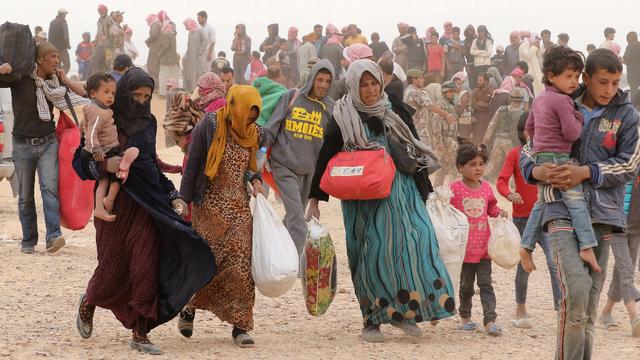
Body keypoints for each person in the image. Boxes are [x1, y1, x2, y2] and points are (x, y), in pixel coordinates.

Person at [307, 59, 455, 342]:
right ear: (353, 85)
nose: (371, 89)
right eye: (364, 84)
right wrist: (314, 198)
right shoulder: (343, 115)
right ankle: (371, 319)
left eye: (374, 82)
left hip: (402, 191)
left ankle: (406, 311)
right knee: (370, 254)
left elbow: (412, 146)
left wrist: (426, 191)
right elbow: (325, 156)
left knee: (414, 243)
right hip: (363, 199)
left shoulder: (395, 109)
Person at [73, 67, 215, 355]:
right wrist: (107, 166)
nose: (140, 101)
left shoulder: (149, 123)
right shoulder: (104, 118)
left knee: (145, 266)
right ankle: (90, 300)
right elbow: (81, 162)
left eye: (146, 96)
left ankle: (140, 332)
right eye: (134, 95)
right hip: (115, 206)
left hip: (148, 206)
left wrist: (173, 195)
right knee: (111, 268)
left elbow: (149, 164)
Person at [520, 49, 639, 359]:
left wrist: (585, 172)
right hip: (559, 207)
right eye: (602, 82)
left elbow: (629, 165)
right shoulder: (560, 99)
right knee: (575, 295)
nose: (609, 90)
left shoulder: (627, 115)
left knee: (587, 306)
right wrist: (536, 170)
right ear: (586, 77)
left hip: (603, 215)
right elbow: (530, 149)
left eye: (615, 83)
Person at [178, 85, 266, 347]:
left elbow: (252, 166)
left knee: (241, 264)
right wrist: (183, 199)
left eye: (254, 115)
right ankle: (189, 306)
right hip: (209, 204)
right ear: (236, 105)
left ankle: (241, 326)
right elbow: (193, 162)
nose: (249, 120)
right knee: (208, 263)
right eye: (246, 113)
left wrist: (257, 180)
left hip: (239, 205)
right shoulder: (210, 124)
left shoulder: (254, 132)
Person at [0, 42, 89, 254]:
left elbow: (84, 95)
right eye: (53, 56)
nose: (57, 60)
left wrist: (66, 79)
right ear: (40, 59)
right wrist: (2, 67)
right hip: (22, 146)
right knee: (25, 196)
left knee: (49, 191)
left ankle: (53, 237)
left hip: (48, 143)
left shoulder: (54, 84)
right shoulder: (19, 78)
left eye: (57, 57)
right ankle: (29, 241)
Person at [519, 46, 600, 273]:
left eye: (576, 76)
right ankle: (586, 245)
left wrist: (541, 146)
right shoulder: (564, 101)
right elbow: (572, 133)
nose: (574, 82)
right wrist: (579, 118)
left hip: (541, 158)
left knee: (542, 202)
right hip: (559, 158)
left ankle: (525, 246)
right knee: (575, 200)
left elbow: (529, 128)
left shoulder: (540, 98)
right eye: (569, 76)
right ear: (552, 76)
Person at [260, 60, 335, 253]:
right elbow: (272, 127)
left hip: (309, 170)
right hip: (283, 165)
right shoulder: (292, 96)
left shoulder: (331, 108)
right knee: (296, 216)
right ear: (312, 78)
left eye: (328, 81)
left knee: (296, 215)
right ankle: (301, 261)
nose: (323, 85)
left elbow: (331, 143)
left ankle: (277, 249)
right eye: (320, 79)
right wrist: (261, 154)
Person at [496, 114, 561, 328]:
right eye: (529, 129)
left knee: (554, 263)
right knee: (524, 266)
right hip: (523, 220)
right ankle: (520, 309)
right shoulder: (516, 154)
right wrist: (509, 194)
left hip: (547, 216)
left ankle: (561, 309)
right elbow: (502, 180)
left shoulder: (547, 154)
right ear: (521, 132)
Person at [450, 143, 508, 336]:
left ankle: (490, 321)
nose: (478, 168)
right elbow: (446, 213)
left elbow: (491, 208)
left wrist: (499, 212)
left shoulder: (486, 189)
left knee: (486, 285)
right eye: (473, 164)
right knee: (466, 286)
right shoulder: (454, 189)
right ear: (460, 167)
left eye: (482, 164)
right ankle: (465, 317)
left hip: (484, 248)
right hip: (464, 250)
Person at [81, 73, 139, 222]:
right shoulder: (99, 112)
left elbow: (83, 127)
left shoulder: (94, 108)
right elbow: (92, 132)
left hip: (106, 149)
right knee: (119, 172)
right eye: (106, 92)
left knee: (104, 181)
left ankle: (101, 207)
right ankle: (109, 200)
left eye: (113, 93)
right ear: (93, 93)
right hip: (103, 151)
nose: (110, 96)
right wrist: (96, 149)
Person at [599, 176, 640, 337]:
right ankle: (634, 319)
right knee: (626, 271)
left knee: (621, 271)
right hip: (618, 227)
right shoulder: (624, 167)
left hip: (637, 230)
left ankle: (606, 312)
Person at [403, 68, 456, 146]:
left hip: (413, 130)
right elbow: (430, 106)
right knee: (426, 155)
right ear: (414, 79)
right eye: (421, 78)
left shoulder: (406, 91)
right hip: (420, 131)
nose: (423, 80)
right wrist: (447, 115)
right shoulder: (415, 92)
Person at [483, 89, 525, 179]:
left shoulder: (501, 109)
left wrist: (486, 138)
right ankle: (513, 183)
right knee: (513, 162)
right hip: (511, 142)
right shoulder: (521, 113)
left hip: (498, 139)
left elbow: (492, 124)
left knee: (494, 161)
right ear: (521, 100)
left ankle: (484, 178)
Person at [432, 81, 460, 186]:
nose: (453, 93)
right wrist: (439, 142)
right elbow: (436, 123)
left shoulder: (451, 104)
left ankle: (446, 189)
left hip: (451, 140)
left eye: (454, 91)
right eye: (451, 91)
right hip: (445, 140)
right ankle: (449, 189)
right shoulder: (441, 104)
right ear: (445, 92)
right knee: (450, 166)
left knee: (446, 167)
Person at [182, 18, 208, 93]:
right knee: (192, 74)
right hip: (191, 57)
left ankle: (201, 90)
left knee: (200, 73)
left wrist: (200, 51)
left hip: (199, 57)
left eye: (186, 25)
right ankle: (193, 90)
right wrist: (186, 54)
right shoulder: (190, 33)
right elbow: (188, 45)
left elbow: (206, 41)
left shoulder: (200, 30)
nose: (186, 27)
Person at [157, 22, 180, 96]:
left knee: (164, 76)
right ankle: (173, 92)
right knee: (173, 77)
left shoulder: (165, 35)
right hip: (174, 59)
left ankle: (163, 93)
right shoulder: (173, 35)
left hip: (166, 60)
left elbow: (165, 47)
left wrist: (159, 54)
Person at [471, 73, 494, 144]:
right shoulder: (475, 92)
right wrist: (486, 105)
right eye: (478, 80)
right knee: (477, 141)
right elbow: (474, 105)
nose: (478, 82)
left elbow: (492, 106)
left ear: (486, 81)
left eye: (480, 80)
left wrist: (480, 103)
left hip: (487, 120)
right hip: (477, 120)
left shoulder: (492, 92)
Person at [48, 9, 71, 74]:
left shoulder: (52, 22)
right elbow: (66, 36)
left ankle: (57, 78)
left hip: (53, 48)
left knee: (57, 64)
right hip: (62, 48)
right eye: (65, 14)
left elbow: (50, 35)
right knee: (67, 64)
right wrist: (68, 45)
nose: (65, 15)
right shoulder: (63, 22)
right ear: (62, 14)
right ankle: (61, 76)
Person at [145, 13, 163, 89]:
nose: (147, 22)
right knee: (156, 67)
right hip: (158, 49)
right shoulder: (159, 24)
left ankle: (155, 86)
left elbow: (154, 35)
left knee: (151, 67)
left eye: (147, 20)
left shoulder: (155, 24)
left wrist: (147, 41)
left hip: (155, 49)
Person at [92, 4, 110, 75]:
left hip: (108, 45)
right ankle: (95, 76)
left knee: (108, 62)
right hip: (100, 44)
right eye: (100, 10)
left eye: (103, 9)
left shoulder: (109, 19)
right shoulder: (99, 21)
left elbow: (113, 30)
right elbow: (98, 33)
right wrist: (94, 44)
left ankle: (104, 77)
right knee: (95, 60)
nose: (101, 11)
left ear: (106, 10)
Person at [624, 31, 640, 108]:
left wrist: (620, 60)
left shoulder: (629, 47)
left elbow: (626, 59)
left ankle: (635, 109)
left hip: (633, 74)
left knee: (633, 91)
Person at [463, 25, 477, 89]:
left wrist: (477, 38)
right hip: (469, 64)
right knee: (471, 84)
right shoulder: (465, 42)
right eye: (469, 30)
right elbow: (463, 55)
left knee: (478, 82)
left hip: (478, 64)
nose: (470, 32)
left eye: (471, 30)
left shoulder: (477, 40)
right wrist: (466, 66)